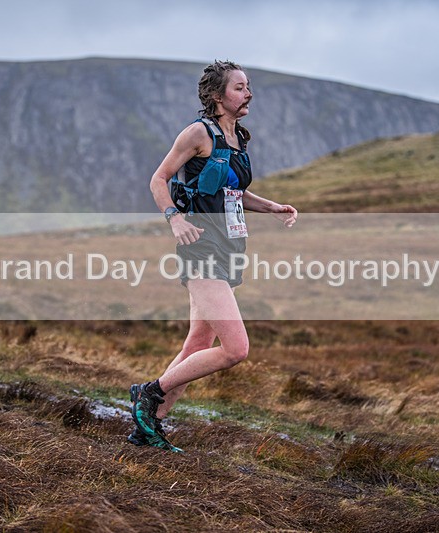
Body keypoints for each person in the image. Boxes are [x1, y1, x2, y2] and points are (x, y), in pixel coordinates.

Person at [128, 60, 298, 452]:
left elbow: (233, 192)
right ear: (217, 95)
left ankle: (148, 426)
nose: (248, 93)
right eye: (240, 87)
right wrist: (174, 219)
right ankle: (149, 393)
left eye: (248, 86)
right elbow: (158, 179)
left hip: (229, 248)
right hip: (200, 247)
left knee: (197, 343)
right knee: (236, 349)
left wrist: (273, 207)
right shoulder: (197, 133)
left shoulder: (237, 138)